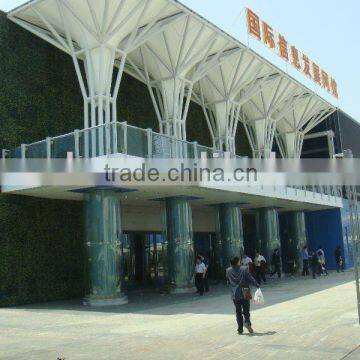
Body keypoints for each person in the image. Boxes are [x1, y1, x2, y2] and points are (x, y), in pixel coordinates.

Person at [226, 256, 260, 335]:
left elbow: (228, 281)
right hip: (245, 291)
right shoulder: (244, 269)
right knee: (246, 310)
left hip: (235, 293)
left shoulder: (228, 270)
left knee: (238, 312)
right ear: (238, 261)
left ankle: (240, 329)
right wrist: (257, 284)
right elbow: (250, 279)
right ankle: (247, 322)